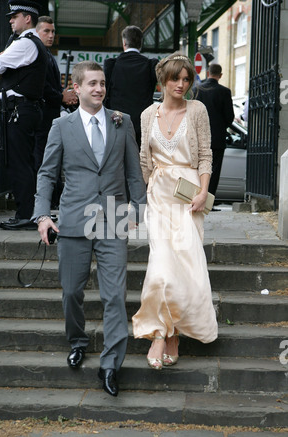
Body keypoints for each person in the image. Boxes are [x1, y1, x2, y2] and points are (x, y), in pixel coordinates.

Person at [33, 61, 146, 396]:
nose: (99, 89)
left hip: (114, 217)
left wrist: (138, 208)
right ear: (77, 87)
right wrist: (42, 216)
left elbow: (133, 172)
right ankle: (78, 340)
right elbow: (47, 174)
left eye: (102, 83)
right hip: (73, 218)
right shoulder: (61, 126)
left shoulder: (121, 121)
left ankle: (111, 365)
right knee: (71, 292)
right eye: (92, 83)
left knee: (115, 295)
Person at [132, 52, 218, 370]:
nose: (181, 84)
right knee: (162, 264)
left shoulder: (197, 110)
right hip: (159, 195)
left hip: (189, 194)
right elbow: (144, 159)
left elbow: (206, 153)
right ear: (162, 80)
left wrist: (203, 190)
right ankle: (160, 334)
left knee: (186, 266)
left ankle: (174, 333)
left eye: (186, 79)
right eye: (175, 78)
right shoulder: (146, 115)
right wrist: (149, 189)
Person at [0, 0, 48, 230]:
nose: (11, 20)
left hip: (20, 111)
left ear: (27, 18)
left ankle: (26, 214)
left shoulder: (25, 43)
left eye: (15, 16)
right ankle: (26, 212)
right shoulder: (24, 42)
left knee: (19, 163)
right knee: (19, 162)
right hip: (19, 110)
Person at [35, 16, 78, 207]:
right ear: (37, 31)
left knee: (51, 159)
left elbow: (51, 86)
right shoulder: (38, 55)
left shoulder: (48, 55)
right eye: (46, 31)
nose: (51, 35)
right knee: (44, 161)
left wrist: (64, 94)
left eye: (53, 32)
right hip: (42, 118)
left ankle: (53, 199)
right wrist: (61, 96)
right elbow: (41, 87)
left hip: (50, 117)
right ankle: (48, 200)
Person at [104, 25, 158, 148]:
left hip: (117, 123)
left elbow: (105, 95)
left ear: (124, 43)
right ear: (141, 44)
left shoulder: (112, 65)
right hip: (142, 126)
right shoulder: (150, 65)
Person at [193, 63, 234, 197]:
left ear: (208, 73)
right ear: (220, 75)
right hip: (217, 138)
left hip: (198, 137)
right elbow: (229, 117)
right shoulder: (224, 91)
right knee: (214, 171)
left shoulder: (197, 89)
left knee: (197, 168)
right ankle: (209, 200)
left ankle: (195, 196)